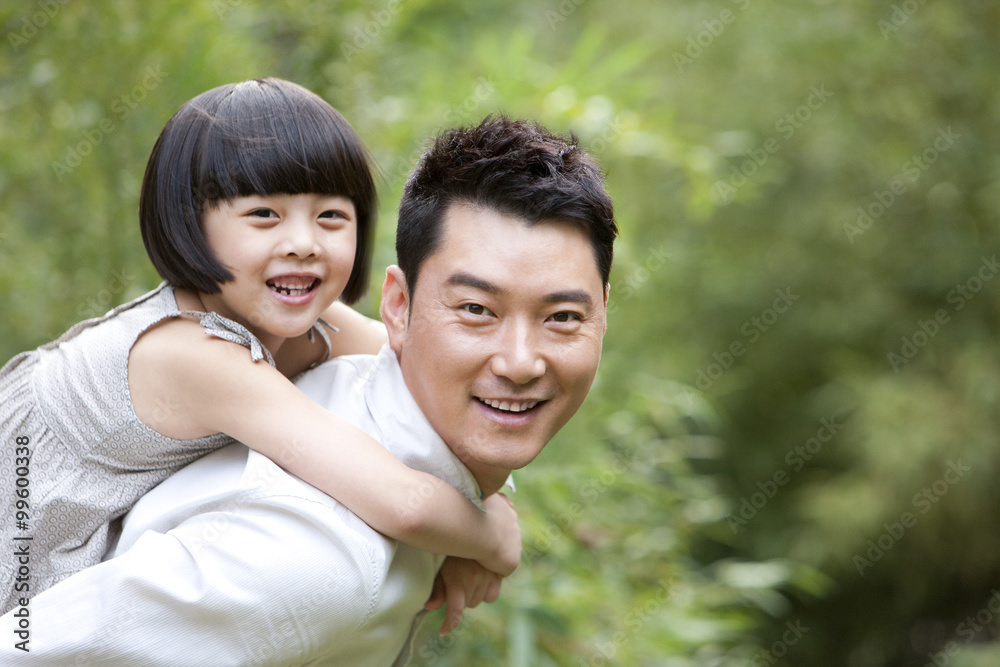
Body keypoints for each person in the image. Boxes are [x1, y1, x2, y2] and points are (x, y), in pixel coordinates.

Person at [0, 115, 618, 665]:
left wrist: (490, 492)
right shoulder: (200, 360)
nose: (302, 242)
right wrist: (494, 538)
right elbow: (403, 502)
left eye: (330, 216)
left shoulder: (309, 325)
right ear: (187, 221)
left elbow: (453, 380)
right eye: (264, 214)